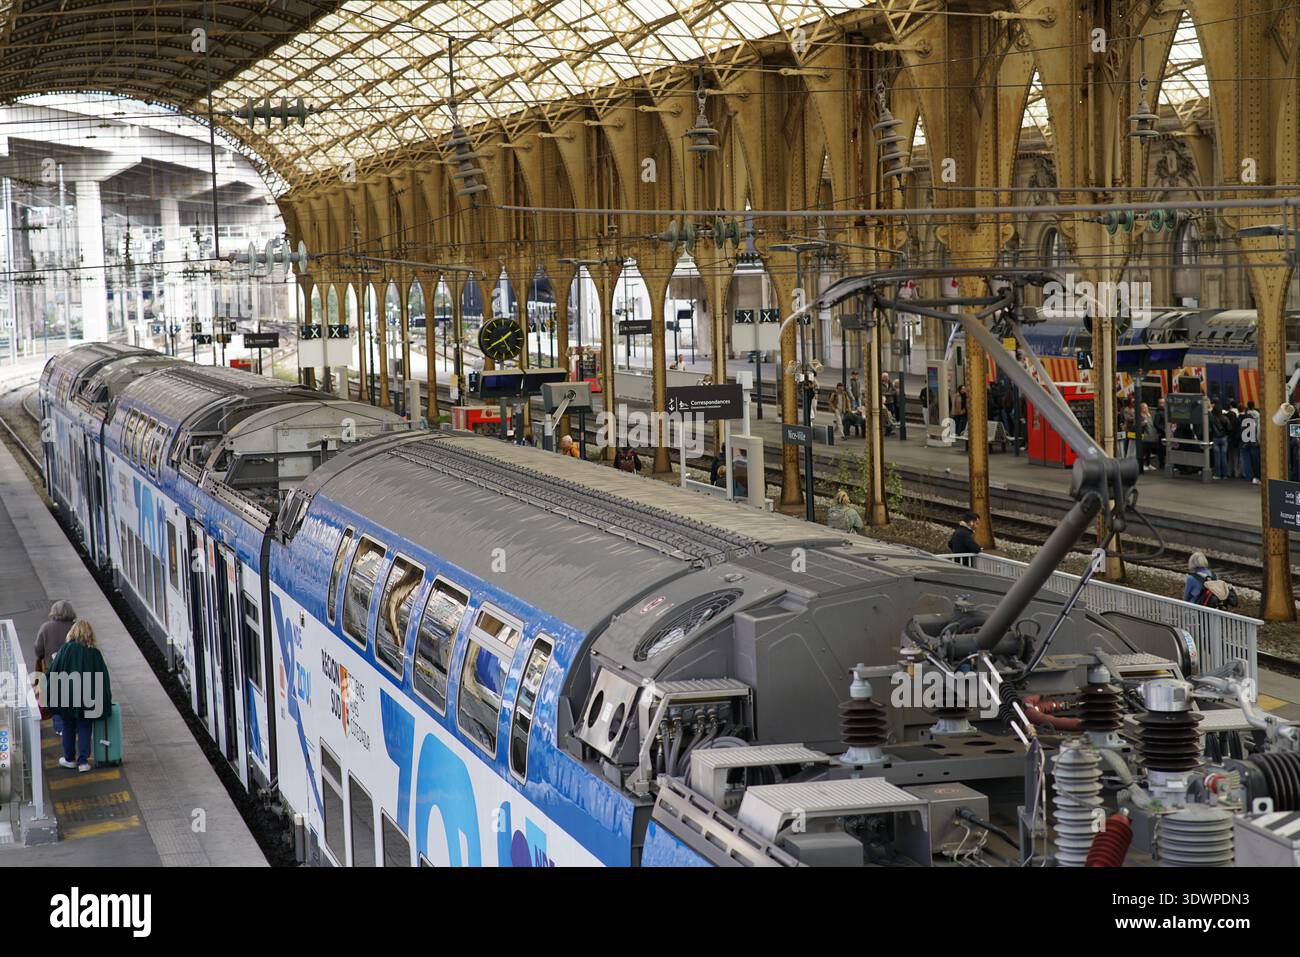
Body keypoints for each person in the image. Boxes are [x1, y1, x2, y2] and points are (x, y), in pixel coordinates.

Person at [46, 620, 112, 773]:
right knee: (85, 727)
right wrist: (105, 698)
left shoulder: (65, 649)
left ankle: (69, 759)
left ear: (73, 632)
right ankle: (83, 762)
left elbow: (53, 672)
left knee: (68, 726)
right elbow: (103, 677)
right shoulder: (94, 653)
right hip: (87, 698)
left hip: (66, 698)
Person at [34, 600, 76, 673]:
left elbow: (38, 650)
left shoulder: (45, 627)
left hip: (52, 669)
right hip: (73, 669)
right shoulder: (77, 627)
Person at [1208, 401, 1230, 479]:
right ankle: (1225, 475)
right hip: (1224, 438)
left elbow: (1210, 429)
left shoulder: (1212, 419)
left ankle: (1217, 474)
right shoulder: (1225, 418)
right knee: (1224, 457)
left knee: (1217, 457)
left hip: (1215, 438)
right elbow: (1229, 428)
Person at [1240, 401, 1261, 484]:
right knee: (1255, 461)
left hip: (1245, 442)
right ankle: (1256, 476)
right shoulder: (1258, 417)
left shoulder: (1244, 419)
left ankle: (1249, 477)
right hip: (1254, 442)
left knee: (1246, 461)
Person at [1225, 400, 1242, 478]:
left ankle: (1228, 472)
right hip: (1236, 441)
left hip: (1229, 440)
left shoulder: (1227, 422)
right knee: (1236, 457)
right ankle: (1236, 472)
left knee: (1229, 456)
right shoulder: (1237, 422)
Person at [1154, 397, 1167, 471]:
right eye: (1161, 403)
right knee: (1161, 449)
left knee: (1164, 449)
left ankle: (1163, 462)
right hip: (1162, 434)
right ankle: (1161, 464)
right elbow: (1156, 424)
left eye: (1163, 403)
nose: (1163, 404)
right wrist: (1163, 429)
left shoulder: (1165, 411)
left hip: (1166, 433)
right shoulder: (1158, 413)